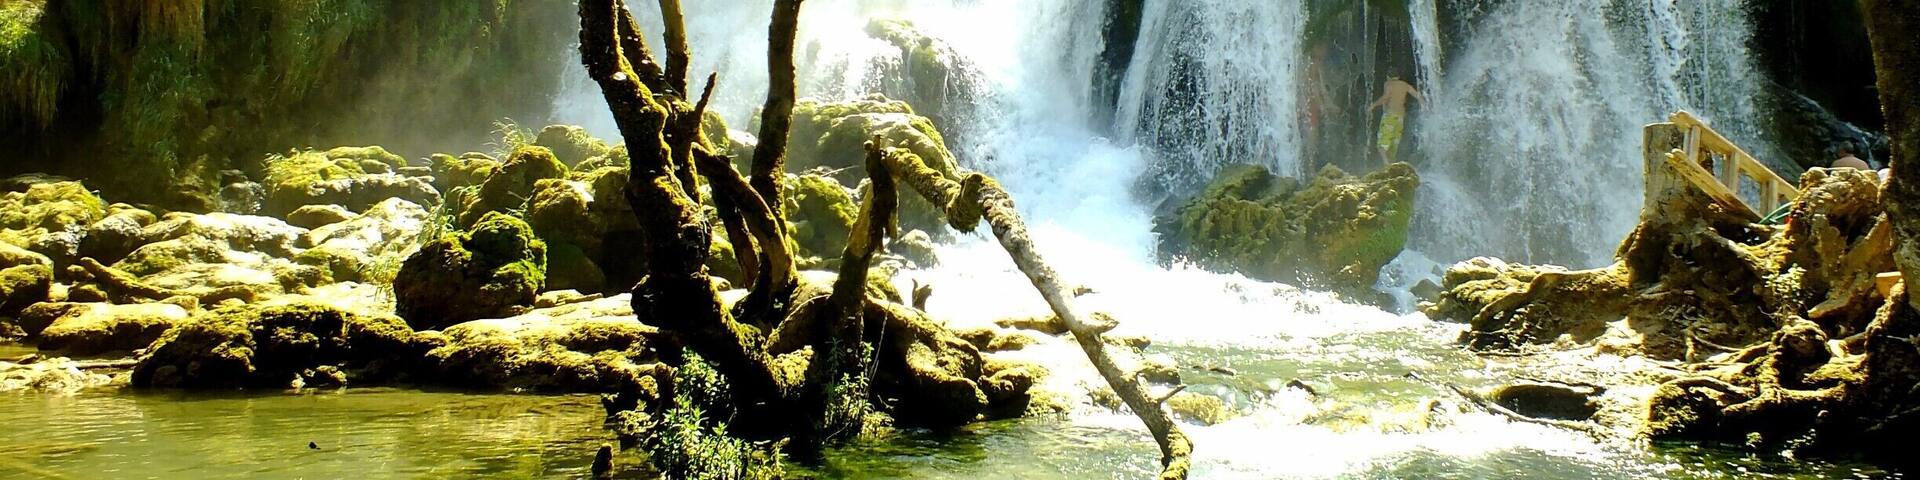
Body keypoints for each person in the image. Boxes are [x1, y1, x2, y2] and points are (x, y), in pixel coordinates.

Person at [1367, 75, 1425, 165]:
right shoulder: (1405, 85)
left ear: (1388, 76)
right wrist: (1424, 105)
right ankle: (1393, 166)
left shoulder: (1388, 84)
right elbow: (1418, 95)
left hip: (1390, 116)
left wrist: (1373, 105)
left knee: (1381, 146)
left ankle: (1387, 165)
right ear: (1398, 76)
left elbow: (1385, 97)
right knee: (1393, 146)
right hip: (1400, 118)